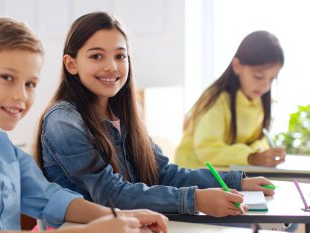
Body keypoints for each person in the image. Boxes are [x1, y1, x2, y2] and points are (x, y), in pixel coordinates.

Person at [0, 17, 169, 233]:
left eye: (30, 84)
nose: (21, 96)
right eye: (7, 78)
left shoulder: (2, 146)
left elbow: (51, 198)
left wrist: (120, 217)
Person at [34, 12, 275, 219]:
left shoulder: (123, 114)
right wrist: (196, 200)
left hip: (128, 231)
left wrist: (237, 182)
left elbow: (163, 173)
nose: (112, 67)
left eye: (120, 56)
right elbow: (110, 194)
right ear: (71, 64)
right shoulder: (63, 121)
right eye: (97, 56)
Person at [174, 31, 286, 169]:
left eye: (272, 79)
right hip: (194, 174)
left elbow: (257, 141)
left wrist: (262, 154)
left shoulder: (257, 100)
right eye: (258, 76)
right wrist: (252, 157)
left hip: (229, 172)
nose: (265, 86)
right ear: (237, 66)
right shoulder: (216, 100)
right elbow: (207, 150)